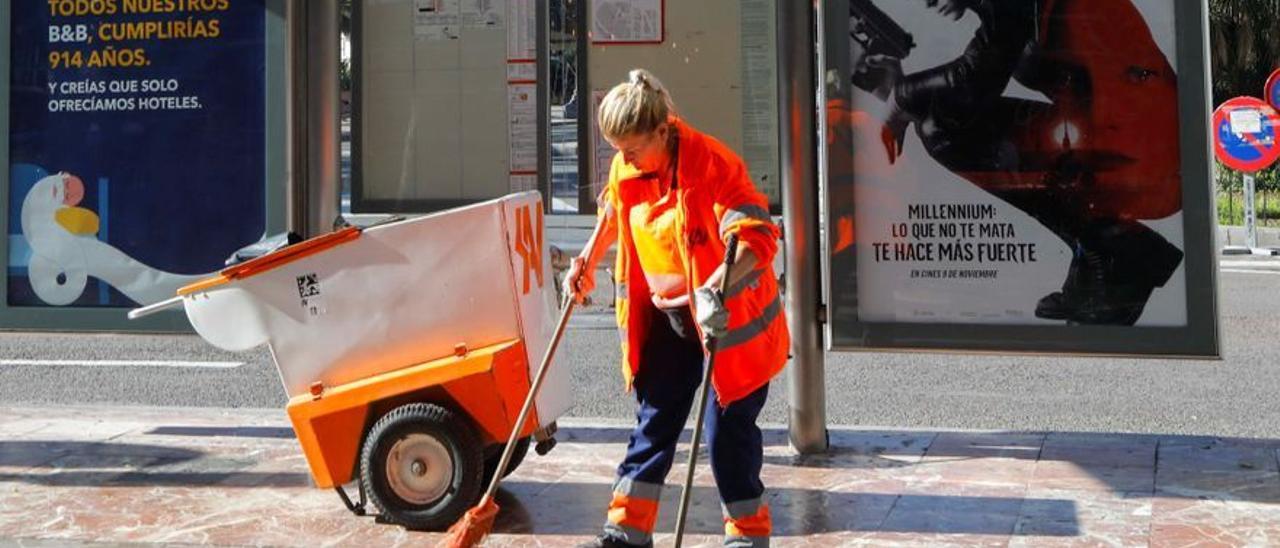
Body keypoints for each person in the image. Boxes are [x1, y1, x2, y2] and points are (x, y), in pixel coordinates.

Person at [565, 69, 789, 548]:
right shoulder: (627, 165)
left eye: (632, 148)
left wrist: (715, 288)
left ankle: (747, 537)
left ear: (662, 132)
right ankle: (625, 530)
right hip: (669, 318)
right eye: (616, 149)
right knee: (654, 422)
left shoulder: (712, 165)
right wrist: (584, 260)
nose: (622, 159)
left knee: (725, 435)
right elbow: (614, 212)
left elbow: (756, 236)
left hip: (727, 321)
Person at [863, 0, 1184, 325]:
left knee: (941, 127)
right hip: (1136, 144)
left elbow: (972, 84)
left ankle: (1118, 250)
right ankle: (1101, 249)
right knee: (941, 116)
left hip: (1143, 159)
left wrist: (900, 96)